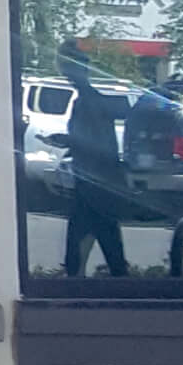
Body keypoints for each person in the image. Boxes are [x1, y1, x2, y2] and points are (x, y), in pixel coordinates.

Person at [58, 42, 128, 279]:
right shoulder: (88, 101)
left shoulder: (90, 102)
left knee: (89, 250)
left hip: (95, 186)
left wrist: (69, 141)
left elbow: (97, 145)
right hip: (94, 184)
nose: (65, 73)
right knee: (105, 247)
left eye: (68, 67)